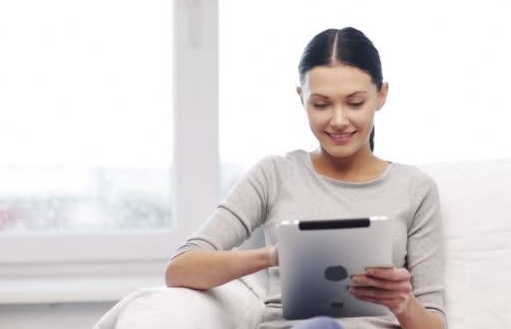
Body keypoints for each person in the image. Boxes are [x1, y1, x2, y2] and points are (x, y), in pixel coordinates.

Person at [165, 27, 446, 329]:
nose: (338, 120)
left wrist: (403, 304)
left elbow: (435, 324)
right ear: (302, 99)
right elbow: (181, 269)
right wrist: (273, 255)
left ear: (381, 95)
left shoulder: (415, 189)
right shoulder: (275, 175)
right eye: (321, 104)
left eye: (354, 103)